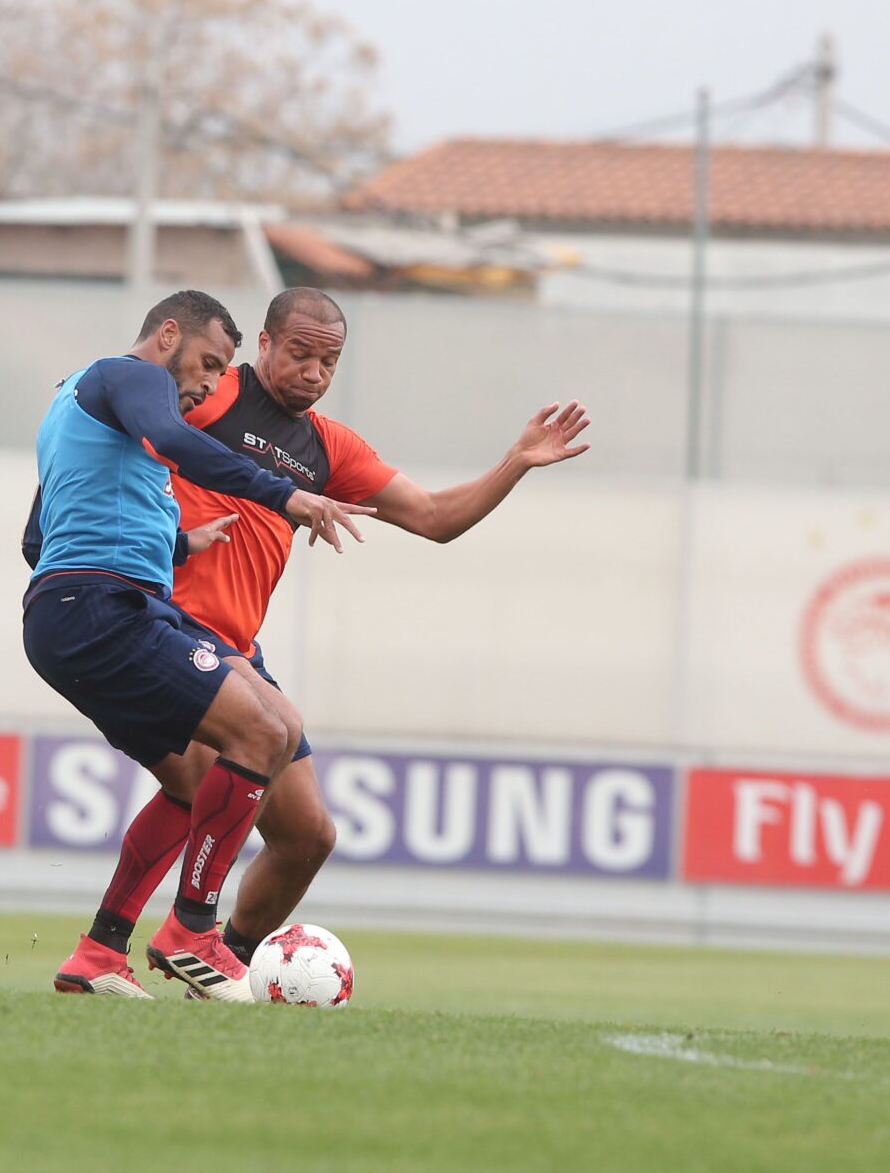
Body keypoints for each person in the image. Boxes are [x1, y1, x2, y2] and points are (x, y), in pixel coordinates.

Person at [72, 287, 592, 992]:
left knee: (308, 835)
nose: (314, 372)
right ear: (263, 343)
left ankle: (222, 964)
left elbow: (435, 517)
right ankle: (143, 941)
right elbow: (134, 436)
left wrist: (516, 461)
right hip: (172, 627)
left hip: (240, 649)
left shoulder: (327, 448)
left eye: (329, 361)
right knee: (198, 779)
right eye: (300, 353)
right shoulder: (209, 394)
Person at [24, 289, 372, 1002]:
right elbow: (177, 440)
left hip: (75, 611)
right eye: (208, 363)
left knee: (202, 774)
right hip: (105, 609)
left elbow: (39, 539)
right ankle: (192, 929)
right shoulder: (129, 376)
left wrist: (176, 544)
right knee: (264, 729)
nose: (211, 384)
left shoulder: (78, 404)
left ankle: (98, 952)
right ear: (167, 335)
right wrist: (285, 494)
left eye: (220, 371)